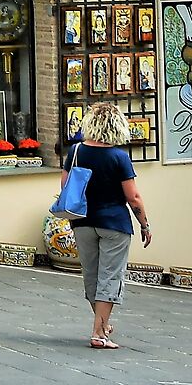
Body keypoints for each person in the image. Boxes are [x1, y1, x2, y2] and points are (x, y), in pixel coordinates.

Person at [69, 100, 151, 349]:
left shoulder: (75, 152)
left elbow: (66, 186)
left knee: (92, 277)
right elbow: (133, 197)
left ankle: (102, 324)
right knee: (110, 278)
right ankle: (99, 333)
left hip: (82, 221)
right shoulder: (119, 157)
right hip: (114, 223)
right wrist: (144, 224)